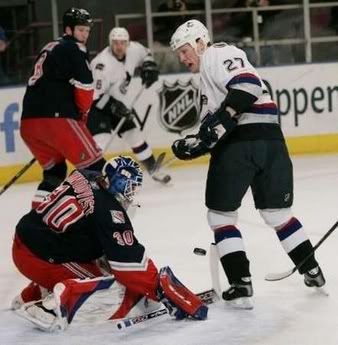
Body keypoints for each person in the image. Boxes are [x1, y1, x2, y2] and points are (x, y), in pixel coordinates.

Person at [170, 19, 326, 309]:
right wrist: (195, 145)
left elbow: (249, 86)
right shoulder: (207, 79)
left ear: (200, 43)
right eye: (179, 53)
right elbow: (213, 128)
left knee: (220, 217)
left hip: (240, 147)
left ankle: (241, 284)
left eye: (184, 50)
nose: (182, 57)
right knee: (278, 214)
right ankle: (312, 270)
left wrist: (223, 118)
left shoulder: (217, 54)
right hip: (272, 145)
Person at [11, 155, 207, 332]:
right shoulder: (110, 212)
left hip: (28, 237)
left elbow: (86, 229)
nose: (132, 194)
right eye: (130, 187)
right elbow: (129, 266)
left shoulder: (84, 175)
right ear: (118, 183)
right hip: (37, 256)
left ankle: (30, 295)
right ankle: (49, 308)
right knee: (109, 286)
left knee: (93, 258)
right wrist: (159, 289)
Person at [20, 7, 106, 209]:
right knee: (96, 168)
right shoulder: (74, 48)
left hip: (29, 124)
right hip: (57, 120)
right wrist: (83, 113)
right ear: (68, 29)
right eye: (80, 30)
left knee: (55, 173)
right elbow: (85, 86)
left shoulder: (49, 46)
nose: (84, 35)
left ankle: (38, 219)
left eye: (87, 31)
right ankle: (107, 218)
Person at [87, 27, 171, 184]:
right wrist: (114, 106)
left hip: (119, 105)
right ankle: (89, 179)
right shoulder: (101, 64)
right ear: (110, 43)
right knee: (100, 144)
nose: (119, 46)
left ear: (128, 43)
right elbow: (94, 97)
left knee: (135, 136)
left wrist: (149, 66)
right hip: (98, 108)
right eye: (116, 43)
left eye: (123, 43)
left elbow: (146, 54)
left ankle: (154, 170)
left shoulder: (134, 49)